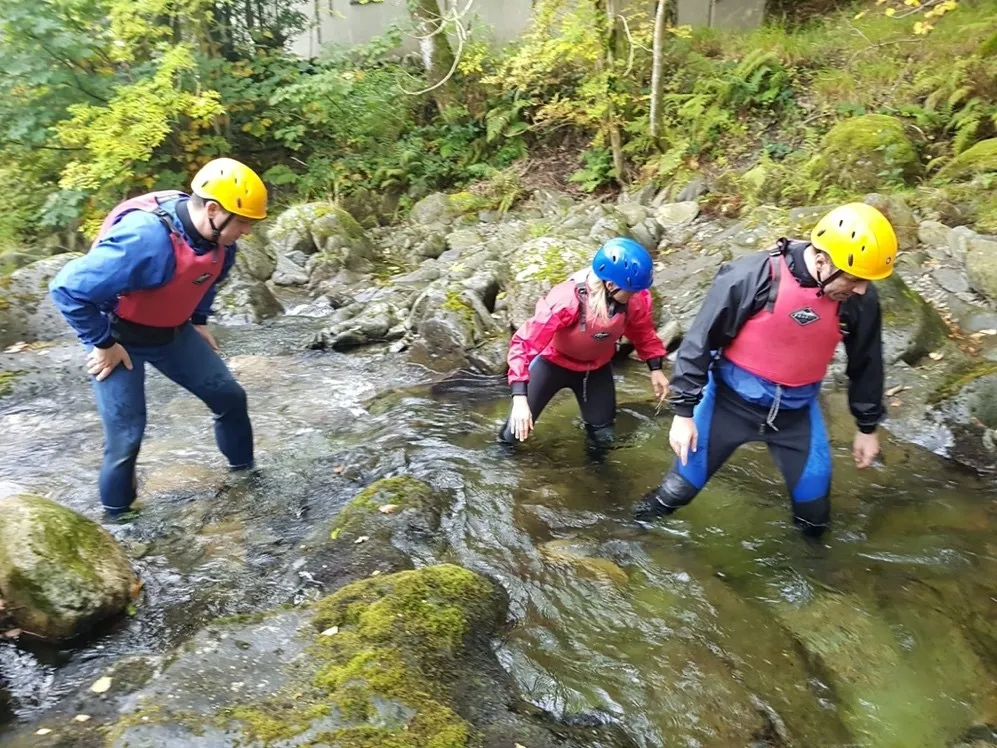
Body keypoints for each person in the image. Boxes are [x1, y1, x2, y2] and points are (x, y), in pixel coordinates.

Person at [633, 203, 897, 536]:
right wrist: (683, 414)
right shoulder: (753, 276)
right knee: (676, 492)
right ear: (821, 260)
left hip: (796, 413)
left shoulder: (858, 300)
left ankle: (819, 579)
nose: (861, 289)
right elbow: (700, 341)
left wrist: (867, 426)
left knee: (815, 515)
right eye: (855, 279)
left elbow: (867, 361)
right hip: (728, 404)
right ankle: (630, 532)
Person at [49, 158, 268, 516]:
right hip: (118, 338)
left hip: (173, 332)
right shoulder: (144, 238)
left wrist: (198, 320)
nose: (246, 231)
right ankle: (120, 521)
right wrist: (103, 343)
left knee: (230, 397)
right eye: (243, 222)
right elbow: (67, 290)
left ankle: (246, 480)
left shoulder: (221, 240)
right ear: (212, 209)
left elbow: (207, 278)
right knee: (126, 439)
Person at [501, 238, 670, 456]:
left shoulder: (634, 298)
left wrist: (655, 368)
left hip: (595, 370)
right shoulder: (567, 300)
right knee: (512, 434)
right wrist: (519, 398)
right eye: (632, 290)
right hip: (551, 364)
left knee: (603, 439)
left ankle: (598, 481)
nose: (638, 295)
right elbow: (524, 343)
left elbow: (643, 332)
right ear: (611, 285)